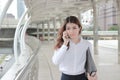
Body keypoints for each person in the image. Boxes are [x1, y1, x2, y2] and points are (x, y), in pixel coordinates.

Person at [52, 16, 97, 80]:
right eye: (68, 28)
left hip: (82, 77)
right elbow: (55, 61)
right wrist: (65, 44)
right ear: (65, 30)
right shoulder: (62, 44)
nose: (71, 31)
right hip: (66, 77)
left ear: (79, 28)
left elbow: (91, 63)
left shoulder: (87, 44)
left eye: (74, 28)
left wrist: (92, 75)